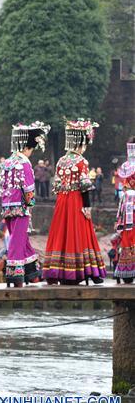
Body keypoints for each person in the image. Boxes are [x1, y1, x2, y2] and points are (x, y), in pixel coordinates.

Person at [43, 119, 106, 285]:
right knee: (81, 234)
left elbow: (56, 186)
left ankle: (60, 271)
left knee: (61, 234)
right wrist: (87, 207)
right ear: (80, 143)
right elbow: (84, 186)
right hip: (77, 200)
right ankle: (85, 271)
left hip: (62, 201)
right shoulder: (81, 161)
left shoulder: (61, 161)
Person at [0, 122, 50, 287]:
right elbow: (28, 188)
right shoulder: (25, 163)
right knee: (16, 241)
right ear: (27, 148)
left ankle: (32, 274)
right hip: (21, 207)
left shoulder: (7, 162)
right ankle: (14, 276)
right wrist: (31, 204)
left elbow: (3, 186)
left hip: (7, 207)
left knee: (21, 240)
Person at [111, 141, 134, 283]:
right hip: (129, 207)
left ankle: (127, 271)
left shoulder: (126, 166)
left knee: (127, 236)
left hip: (127, 206)